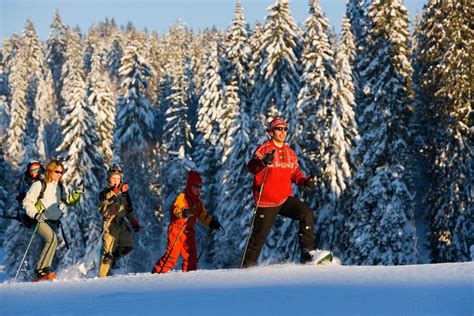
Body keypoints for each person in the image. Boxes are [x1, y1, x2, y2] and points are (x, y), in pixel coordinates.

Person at [242, 118, 328, 268]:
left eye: (284, 129)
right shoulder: (264, 149)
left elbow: (295, 173)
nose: (282, 132)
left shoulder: (290, 152)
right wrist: (263, 162)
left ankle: (306, 254)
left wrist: (305, 181)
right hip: (266, 202)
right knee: (258, 239)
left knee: (306, 213)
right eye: (278, 129)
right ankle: (246, 269)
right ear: (271, 132)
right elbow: (251, 167)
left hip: (284, 199)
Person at [22, 159, 84, 281]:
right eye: (57, 172)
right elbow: (27, 202)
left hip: (52, 221)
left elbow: (69, 200)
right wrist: (35, 215)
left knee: (52, 242)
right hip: (38, 219)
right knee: (51, 239)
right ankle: (40, 272)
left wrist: (77, 193)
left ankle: (43, 272)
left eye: (61, 172)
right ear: (49, 171)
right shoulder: (39, 184)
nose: (60, 174)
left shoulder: (59, 186)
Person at [152, 170, 221, 274]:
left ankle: (189, 280)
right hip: (177, 230)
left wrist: (211, 222)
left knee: (191, 257)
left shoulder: (198, 202)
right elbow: (176, 209)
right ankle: (156, 275)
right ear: (189, 185)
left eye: (200, 186)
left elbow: (203, 216)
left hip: (188, 232)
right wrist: (184, 213)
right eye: (196, 186)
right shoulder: (182, 197)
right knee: (172, 257)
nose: (198, 189)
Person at [98, 165, 140, 278]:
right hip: (110, 224)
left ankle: (113, 260)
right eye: (113, 178)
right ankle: (102, 277)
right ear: (108, 179)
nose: (116, 180)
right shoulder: (105, 191)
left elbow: (129, 210)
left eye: (118, 178)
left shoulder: (125, 194)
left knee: (128, 245)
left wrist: (134, 222)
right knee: (107, 254)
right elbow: (104, 200)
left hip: (121, 224)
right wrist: (116, 191)